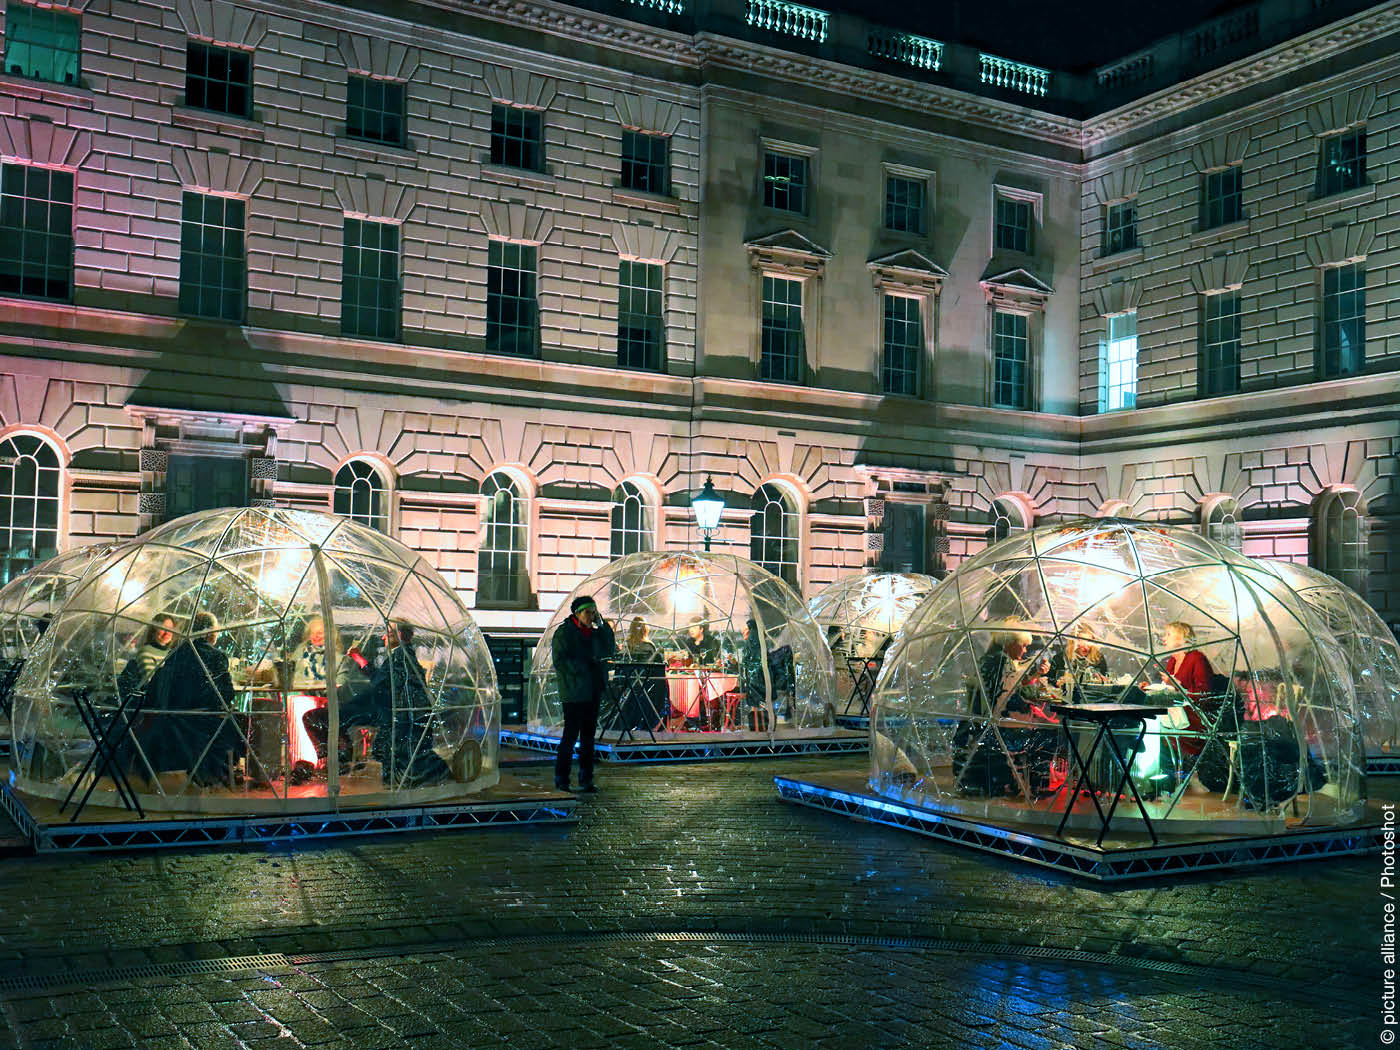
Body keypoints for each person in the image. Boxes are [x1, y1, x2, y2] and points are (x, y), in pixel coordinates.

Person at [142, 610, 243, 787]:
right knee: (241, 721)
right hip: (203, 723)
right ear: (211, 632)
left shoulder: (175, 653)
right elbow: (226, 695)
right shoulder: (216, 656)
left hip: (176, 722)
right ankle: (228, 772)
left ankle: (214, 771)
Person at [552, 594, 615, 792]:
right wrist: (584, 667)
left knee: (588, 736)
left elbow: (609, 647)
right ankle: (562, 778)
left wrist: (603, 625)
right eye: (588, 612)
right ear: (577, 614)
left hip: (592, 690)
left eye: (593, 612)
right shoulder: (565, 633)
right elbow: (560, 661)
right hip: (574, 691)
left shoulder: (595, 633)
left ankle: (586, 778)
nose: (591, 616)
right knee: (570, 735)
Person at [1048, 624, 1109, 697]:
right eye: (1080, 640)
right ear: (1072, 641)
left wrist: (1102, 680)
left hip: (1091, 698)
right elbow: (1049, 680)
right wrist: (1056, 683)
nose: (1085, 644)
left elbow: (1105, 679)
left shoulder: (1098, 658)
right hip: (1065, 698)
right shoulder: (1060, 658)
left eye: (1088, 640)